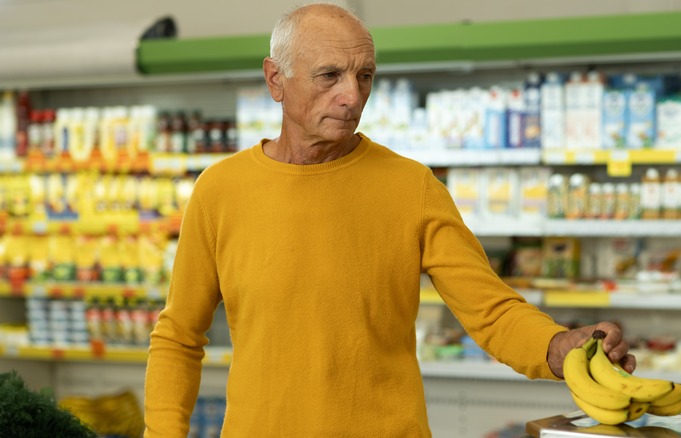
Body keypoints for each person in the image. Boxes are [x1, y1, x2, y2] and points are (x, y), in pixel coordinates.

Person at [143, 3, 636, 437]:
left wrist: (558, 345)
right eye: (329, 75)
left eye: (365, 76)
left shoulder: (411, 188)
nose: (352, 95)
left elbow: (491, 312)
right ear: (276, 79)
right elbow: (179, 337)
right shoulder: (220, 190)